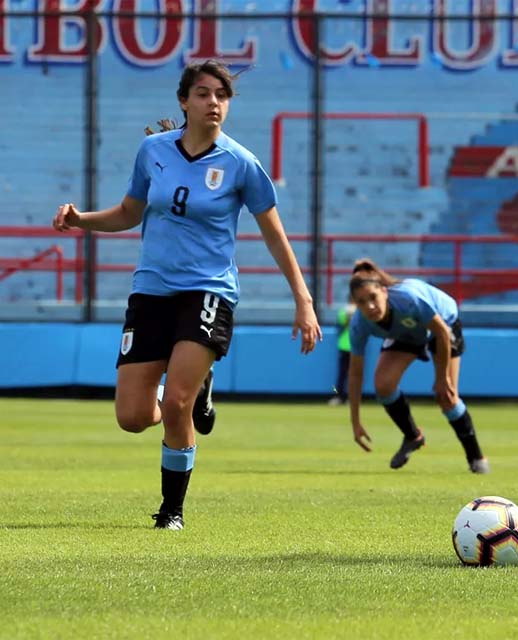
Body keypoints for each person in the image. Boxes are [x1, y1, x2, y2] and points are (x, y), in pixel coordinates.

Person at [52, 60, 322, 530]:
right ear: (184, 101)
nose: (213, 102)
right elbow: (129, 213)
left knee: (176, 403)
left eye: (222, 95)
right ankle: (198, 388)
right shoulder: (152, 150)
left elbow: (275, 236)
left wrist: (304, 300)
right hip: (151, 291)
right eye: (202, 93)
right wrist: (82, 220)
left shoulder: (241, 163)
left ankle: (171, 511)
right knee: (133, 417)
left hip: (208, 292)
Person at [346, 258, 488, 473]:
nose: (370, 306)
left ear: (384, 291)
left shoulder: (408, 299)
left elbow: (441, 332)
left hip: (443, 326)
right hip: (406, 334)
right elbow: (355, 373)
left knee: (447, 397)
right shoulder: (359, 324)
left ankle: (476, 458)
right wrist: (355, 422)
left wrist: (442, 379)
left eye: (373, 297)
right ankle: (413, 436)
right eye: (362, 302)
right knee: (383, 385)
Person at [328, 296, 356, 406]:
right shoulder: (345, 312)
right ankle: (340, 396)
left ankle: (346, 397)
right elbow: (340, 327)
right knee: (346, 374)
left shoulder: (357, 312)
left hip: (350, 346)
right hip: (348, 346)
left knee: (347, 374)